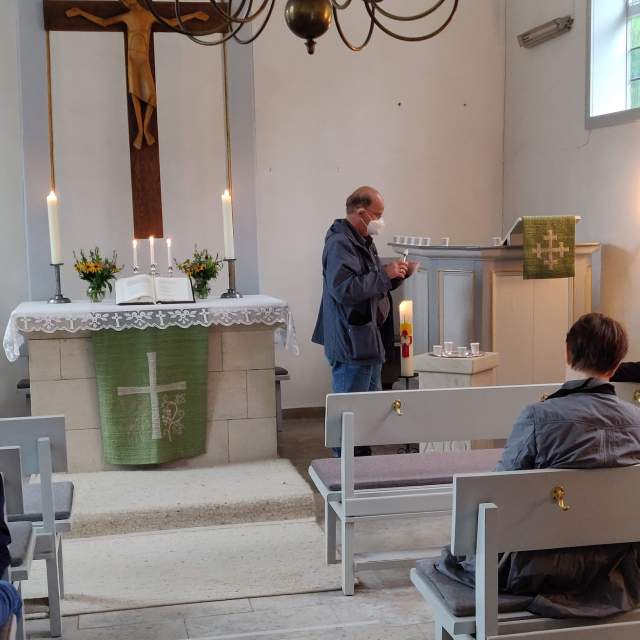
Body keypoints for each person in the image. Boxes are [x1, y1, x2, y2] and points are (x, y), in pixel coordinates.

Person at [436, 312, 640, 618]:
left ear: (568, 353)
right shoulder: (637, 421)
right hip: (618, 567)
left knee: (452, 555)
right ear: (617, 363)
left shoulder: (538, 417)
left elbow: (497, 493)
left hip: (541, 569)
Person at [312, 186, 418, 456]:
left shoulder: (362, 239)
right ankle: (345, 473)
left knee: (367, 414)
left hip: (368, 340)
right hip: (351, 343)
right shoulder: (339, 243)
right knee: (349, 415)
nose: (381, 221)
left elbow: (371, 286)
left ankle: (361, 470)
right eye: (378, 215)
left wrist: (398, 275)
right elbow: (345, 289)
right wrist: (385, 274)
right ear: (361, 213)